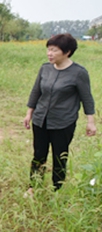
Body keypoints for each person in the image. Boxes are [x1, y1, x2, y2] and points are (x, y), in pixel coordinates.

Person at [23, 34, 96, 193]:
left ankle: (57, 189)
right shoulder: (45, 68)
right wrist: (29, 113)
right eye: (48, 50)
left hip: (63, 122)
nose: (49, 53)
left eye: (54, 50)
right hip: (40, 120)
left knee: (59, 157)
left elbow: (87, 98)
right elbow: (36, 92)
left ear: (67, 52)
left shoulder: (78, 73)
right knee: (39, 154)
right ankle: (33, 187)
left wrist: (90, 121)